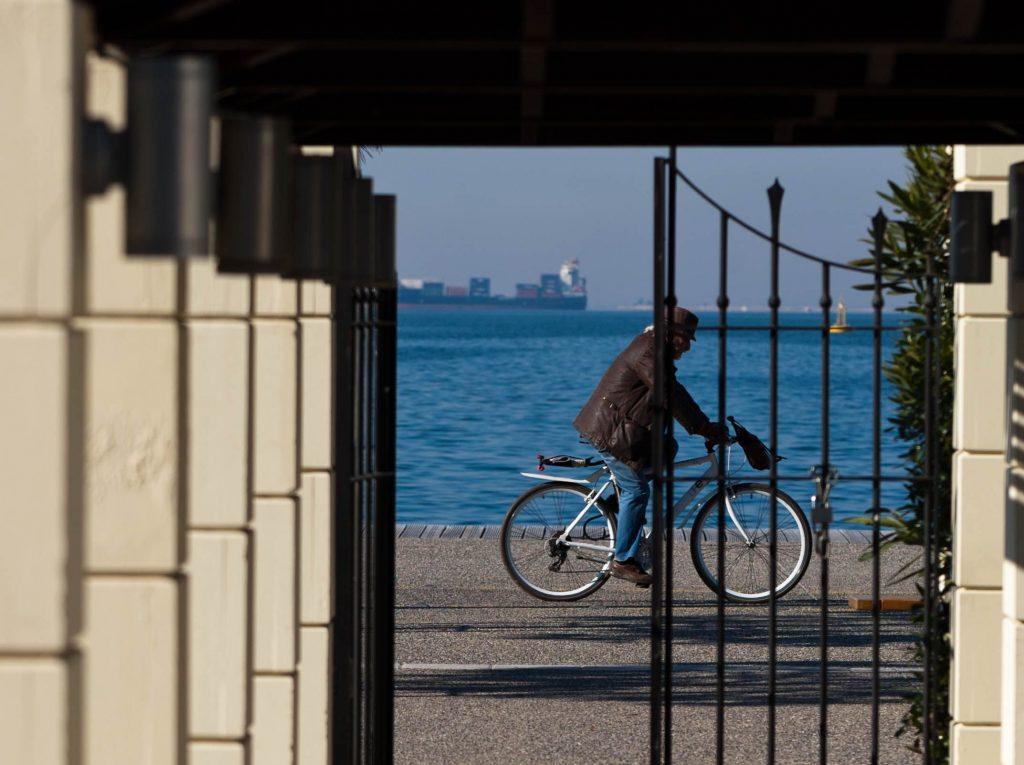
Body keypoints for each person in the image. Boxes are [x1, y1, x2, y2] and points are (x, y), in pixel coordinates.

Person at [572, 307, 726, 586]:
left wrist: (702, 424)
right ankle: (623, 560)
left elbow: (676, 392)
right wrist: (703, 427)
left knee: (669, 448)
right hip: (611, 431)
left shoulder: (656, 351)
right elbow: (667, 393)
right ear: (671, 333)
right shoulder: (649, 351)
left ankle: (622, 505)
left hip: (628, 430)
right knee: (638, 490)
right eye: (687, 339)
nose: (689, 347)